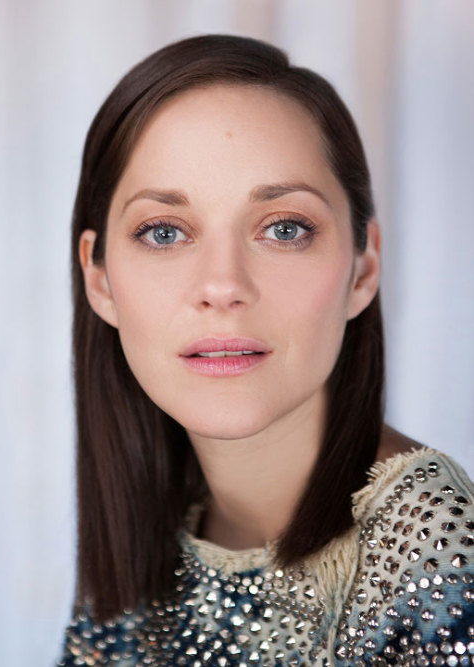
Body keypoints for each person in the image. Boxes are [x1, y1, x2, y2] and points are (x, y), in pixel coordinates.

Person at [56, 34, 473, 666]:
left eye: (285, 228)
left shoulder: (435, 548)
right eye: (164, 232)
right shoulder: (150, 533)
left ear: (363, 269)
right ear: (100, 278)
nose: (223, 286)